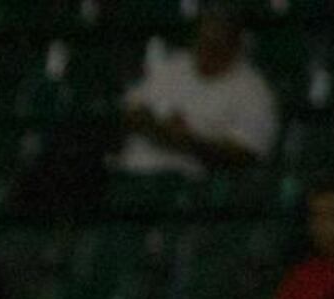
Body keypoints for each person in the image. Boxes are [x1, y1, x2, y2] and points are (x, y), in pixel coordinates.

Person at [114, 6, 277, 178]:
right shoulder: (173, 66)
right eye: (204, 40)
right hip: (134, 172)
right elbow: (131, 109)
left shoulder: (254, 91)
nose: (207, 49)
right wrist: (156, 126)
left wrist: (189, 140)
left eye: (216, 43)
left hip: (195, 187)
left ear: (234, 44)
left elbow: (246, 154)